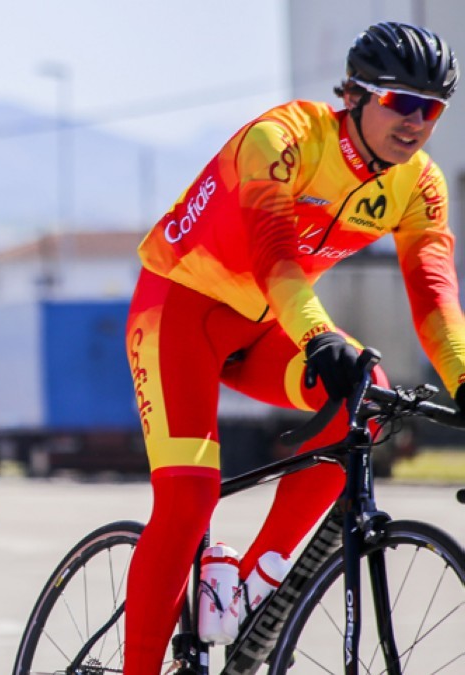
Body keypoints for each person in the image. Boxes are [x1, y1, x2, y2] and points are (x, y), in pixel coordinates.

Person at [123, 21, 463, 673]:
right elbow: (274, 255)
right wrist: (320, 336)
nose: (417, 122)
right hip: (180, 312)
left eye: (434, 109)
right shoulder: (281, 139)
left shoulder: (418, 183)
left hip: (259, 328)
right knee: (189, 495)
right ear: (357, 96)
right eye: (402, 102)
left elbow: (435, 297)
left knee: (372, 401)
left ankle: (250, 583)